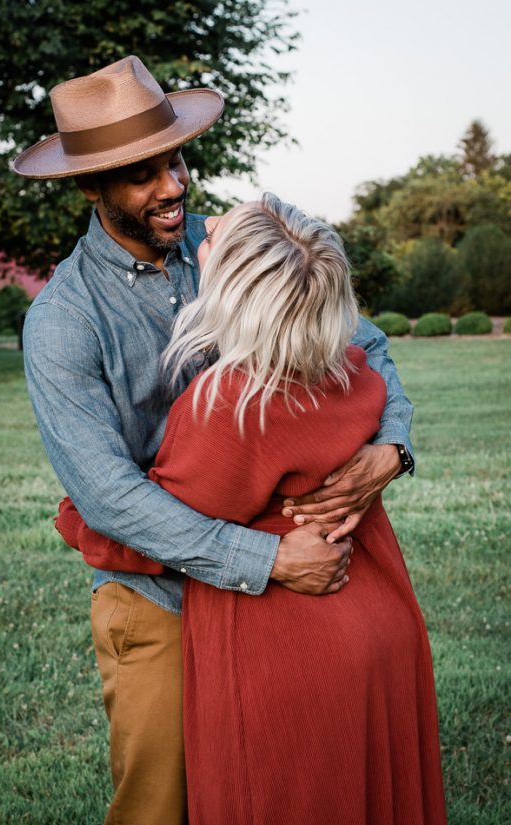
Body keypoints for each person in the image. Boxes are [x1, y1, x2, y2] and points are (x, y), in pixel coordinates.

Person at [16, 56, 416, 825]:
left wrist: (390, 449)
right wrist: (268, 559)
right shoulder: (64, 321)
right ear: (90, 188)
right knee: (161, 806)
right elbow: (105, 496)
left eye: (175, 159)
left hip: (281, 602)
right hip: (158, 594)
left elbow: (365, 344)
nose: (173, 186)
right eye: (142, 175)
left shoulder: (235, 246)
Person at [60, 194, 447, 824]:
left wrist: (77, 521)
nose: (202, 224)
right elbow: (370, 350)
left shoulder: (229, 406)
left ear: (238, 291)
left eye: (218, 236)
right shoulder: (345, 371)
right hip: (379, 616)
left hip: (292, 649)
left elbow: (149, 521)